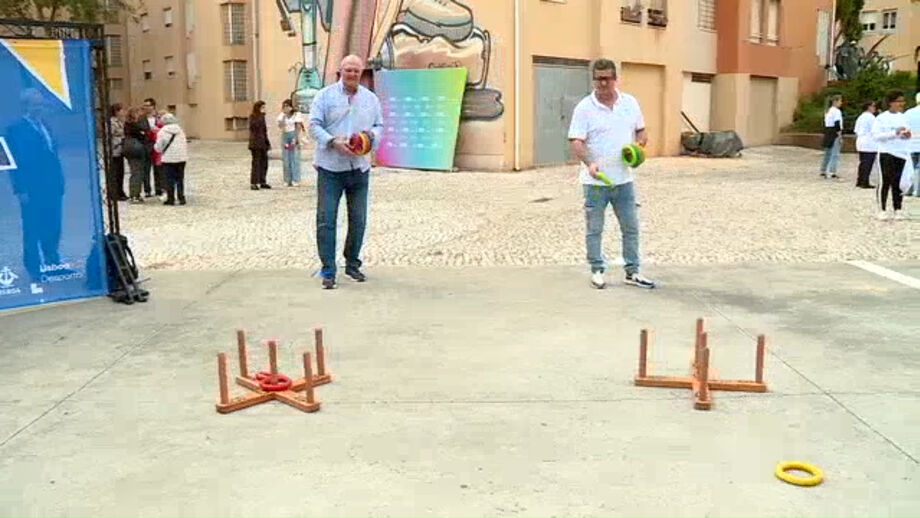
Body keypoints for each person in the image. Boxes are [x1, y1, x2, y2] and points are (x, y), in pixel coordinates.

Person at [568, 58, 655, 290]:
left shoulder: (630, 103)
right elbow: (576, 141)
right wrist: (589, 163)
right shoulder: (584, 108)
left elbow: (641, 131)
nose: (603, 83)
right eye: (599, 79)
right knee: (595, 229)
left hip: (624, 180)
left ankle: (632, 271)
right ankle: (597, 270)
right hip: (595, 182)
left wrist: (639, 145)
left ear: (616, 79)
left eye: (607, 78)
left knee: (631, 227)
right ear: (594, 80)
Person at [308, 54, 383, 289]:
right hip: (330, 168)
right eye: (348, 70)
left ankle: (352, 264)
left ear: (361, 73)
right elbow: (313, 124)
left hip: (359, 169)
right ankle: (328, 270)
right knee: (326, 220)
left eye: (356, 71)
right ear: (340, 71)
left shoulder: (370, 99)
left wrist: (370, 138)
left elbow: (379, 126)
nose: (352, 74)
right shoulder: (324, 96)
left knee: (358, 220)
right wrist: (332, 141)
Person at [5, 88, 65, 282]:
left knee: (53, 225)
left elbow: (52, 155)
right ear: (26, 106)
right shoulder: (15, 129)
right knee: (33, 227)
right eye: (35, 104)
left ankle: (53, 262)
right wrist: (20, 189)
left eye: (41, 104)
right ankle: (34, 268)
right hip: (31, 187)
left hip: (52, 185)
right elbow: (13, 163)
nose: (40, 108)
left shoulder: (46, 125)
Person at [871, 90, 912, 220]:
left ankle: (898, 208)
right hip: (886, 152)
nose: (901, 103)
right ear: (890, 103)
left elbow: (906, 134)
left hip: (901, 153)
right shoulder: (882, 118)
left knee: (898, 182)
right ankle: (881, 209)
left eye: (902, 101)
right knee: (885, 181)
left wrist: (906, 136)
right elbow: (876, 136)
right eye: (898, 101)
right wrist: (894, 133)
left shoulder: (903, 117)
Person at [154, 113, 189, 206]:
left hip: (168, 158)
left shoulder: (162, 131)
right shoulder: (180, 130)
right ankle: (181, 198)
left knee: (169, 179)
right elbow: (184, 143)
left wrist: (156, 148)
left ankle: (171, 198)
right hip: (181, 158)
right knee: (180, 179)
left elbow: (159, 147)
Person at [123, 106, 149, 204]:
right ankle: (134, 195)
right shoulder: (134, 125)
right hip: (136, 150)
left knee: (134, 172)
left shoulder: (127, 124)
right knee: (137, 172)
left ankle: (134, 194)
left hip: (129, 149)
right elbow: (143, 134)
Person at [277, 99, 305, 187]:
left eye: (287, 106)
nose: (286, 108)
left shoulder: (297, 115)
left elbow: (298, 127)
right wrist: (283, 117)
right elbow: (280, 126)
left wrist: (296, 138)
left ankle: (295, 179)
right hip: (285, 135)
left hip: (293, 135)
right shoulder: (282, 115)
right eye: (284, 106)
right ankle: (287, 179)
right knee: (286, 158)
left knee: (294, 157)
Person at [853, 100, 878, 189]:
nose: (875, 108)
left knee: (863, 163)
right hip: (869, 143)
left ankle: (860, 180)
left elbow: (856, 130)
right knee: (868, 163)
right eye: (873, 106)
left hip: (861, 142)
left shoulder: (860, 117)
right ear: (869, 107)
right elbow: (875, 130)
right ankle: (865, 181)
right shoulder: (871, 117)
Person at [248, 101, 271, 190]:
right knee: (256, 163)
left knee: (264, 163)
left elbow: (264, 131)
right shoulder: (253, 116)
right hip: (255, 143)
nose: (264, 109)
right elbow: (254, 127)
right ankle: (254, 182)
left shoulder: (262, 117)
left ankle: (262, 181)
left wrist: (267, 142)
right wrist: (260, 117)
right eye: (263, 107)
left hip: (263, 143)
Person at [820, 94, 844, 180]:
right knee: (835, 153)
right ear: (835, 101)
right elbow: (837, 123)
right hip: (834, 132)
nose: (841, 103)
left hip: (828, 131)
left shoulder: (828, 111)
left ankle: (823, 170)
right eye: (840, 101)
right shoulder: (837, 111)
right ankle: (832, 171)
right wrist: (839, 135)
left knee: (828, 152)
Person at [109, 103, 129, 200]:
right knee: (115, 173)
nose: (123, 112)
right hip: (114, 149)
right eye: (121, 110)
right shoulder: (112, 122)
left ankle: (120, 191)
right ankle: (114, 193)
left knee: (120, 172)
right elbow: (110, 134)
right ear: (116, 111)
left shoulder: (120, 121)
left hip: (120, 149)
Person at [903, 92, 920, 197]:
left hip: (911, 143)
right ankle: (918, 190)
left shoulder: (909, 113)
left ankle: (911, 187)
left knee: (913, 167)